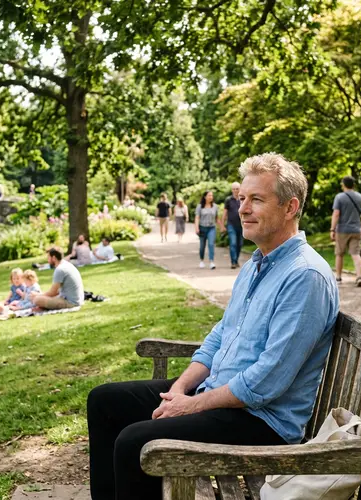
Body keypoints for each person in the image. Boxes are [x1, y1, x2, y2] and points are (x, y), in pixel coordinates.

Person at [87, 152, 339, 500]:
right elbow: (220, 335)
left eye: (256, 200)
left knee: (136, 442)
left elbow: (267, 381)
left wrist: (190, 405)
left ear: (290, 207)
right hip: (222, 396)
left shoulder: (305, 276)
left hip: (262, 422)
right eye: (241, 199)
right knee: (104, 401)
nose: (243, 209)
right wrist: (181, 388)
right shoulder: (257, 265)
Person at [331, 175, 361, 287]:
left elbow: (336, 214)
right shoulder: (360, 197)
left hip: (342, 230)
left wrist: (332, 229)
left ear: (344, 185)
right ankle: (359, 277)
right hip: (356, 229)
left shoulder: (339, 197)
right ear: (353, 185)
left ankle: (338, 278)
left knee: (339, 254)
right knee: (356, 254)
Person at [195, 190, 222, 269]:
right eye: (209, 195)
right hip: (202, 228)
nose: (211, 197)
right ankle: (201, 261)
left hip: (211, 228)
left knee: (211, 244)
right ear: (205, 197)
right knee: (202, 246)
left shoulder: (215, 206)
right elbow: (197, 218)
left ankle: (211, 262)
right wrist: (196, 228)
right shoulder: (199, 206)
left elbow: (217, 218)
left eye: (212, 195)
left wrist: (221, 227)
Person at [222, 181, 242, 268]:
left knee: (240, 244)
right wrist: (222, 225)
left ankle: (236, 260)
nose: (235, 190)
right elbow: (225, 213)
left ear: (240, 189)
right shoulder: (228, 200)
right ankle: (233, 262)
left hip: (241, 225)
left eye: (237, 189)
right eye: (234, 189)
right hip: (231, 225)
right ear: (232, 190)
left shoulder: (243, 199)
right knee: (233, 243)